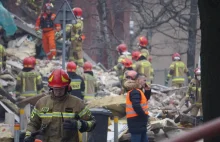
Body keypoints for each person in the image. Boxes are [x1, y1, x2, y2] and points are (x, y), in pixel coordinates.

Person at [24, 69, 96, 142]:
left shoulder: (77, 103)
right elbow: (33, 123)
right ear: (51, 88)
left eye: (61, 89)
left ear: (67, 87)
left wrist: (79, 124)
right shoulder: (42, 103)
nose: (58, 92)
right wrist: (28, 136)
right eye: (56, 89)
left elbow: (92, 123)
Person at [123, 70, 151, 142]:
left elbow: (143, 100)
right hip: (136, 120)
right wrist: (143, 116)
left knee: (143, 139)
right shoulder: (135, 91)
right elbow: (136, 106)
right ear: (138, 80)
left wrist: (147, 91)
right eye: (144, 80)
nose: (145, 82)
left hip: (138, 121)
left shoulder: (138, 90)